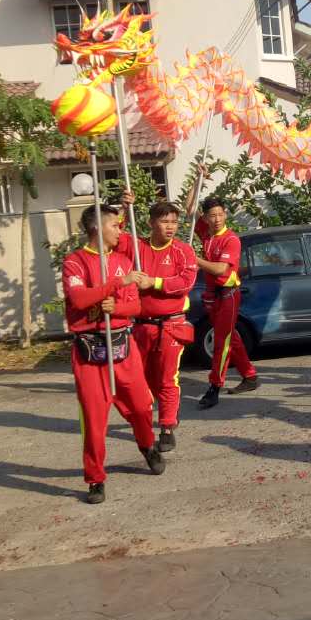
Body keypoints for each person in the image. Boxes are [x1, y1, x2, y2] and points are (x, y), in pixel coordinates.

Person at [62, 203, 164, 504]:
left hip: (122, 347)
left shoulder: (122, 260)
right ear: (97, 227)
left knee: (142, 408)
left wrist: (116, 307)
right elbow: (79, 299)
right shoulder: (75, 262)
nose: (120, 230)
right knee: (94, 420)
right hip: (90, 352)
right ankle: (95, 478)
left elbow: (135, 306)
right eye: (115, 225)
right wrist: (116, 284)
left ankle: (147, 445)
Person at [118, 192, 198, 451]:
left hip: (172, 326)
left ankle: (166, 426)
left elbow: (186, 282)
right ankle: (143, 419)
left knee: (167, 378)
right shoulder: (137, 247)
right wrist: (124, 209)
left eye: (174, 221)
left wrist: (154, 282)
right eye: (164, 221)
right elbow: (113, 237)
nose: (170, 226)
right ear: (151, 222)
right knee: (138, 379)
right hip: (141, 327)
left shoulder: (183, 251)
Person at [184, 179, 258, 408]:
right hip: (212, 296)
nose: (216, 219)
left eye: (219, 214)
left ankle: (214, 387)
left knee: (221, 342)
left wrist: (194, 260)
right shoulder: (206, 232)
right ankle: (250, 376)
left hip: (228, 296)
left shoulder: (231, 240)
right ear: (206, 218)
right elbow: (189, 208)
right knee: (230, 337)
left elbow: (220, 269)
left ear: (225, 214)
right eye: (212, 215)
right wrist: (197, 180)